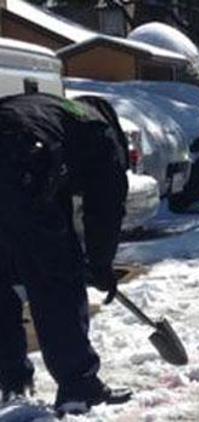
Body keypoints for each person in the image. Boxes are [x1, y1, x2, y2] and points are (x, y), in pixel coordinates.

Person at [0, 93, 132, 415]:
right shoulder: (98, 132)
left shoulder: (55, 114)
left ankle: (11, 377)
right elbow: (106, 207)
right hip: (22, 162)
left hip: (22, 158)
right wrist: (100, 264)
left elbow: (55, 197)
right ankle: (79, 385)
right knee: (58, 278)